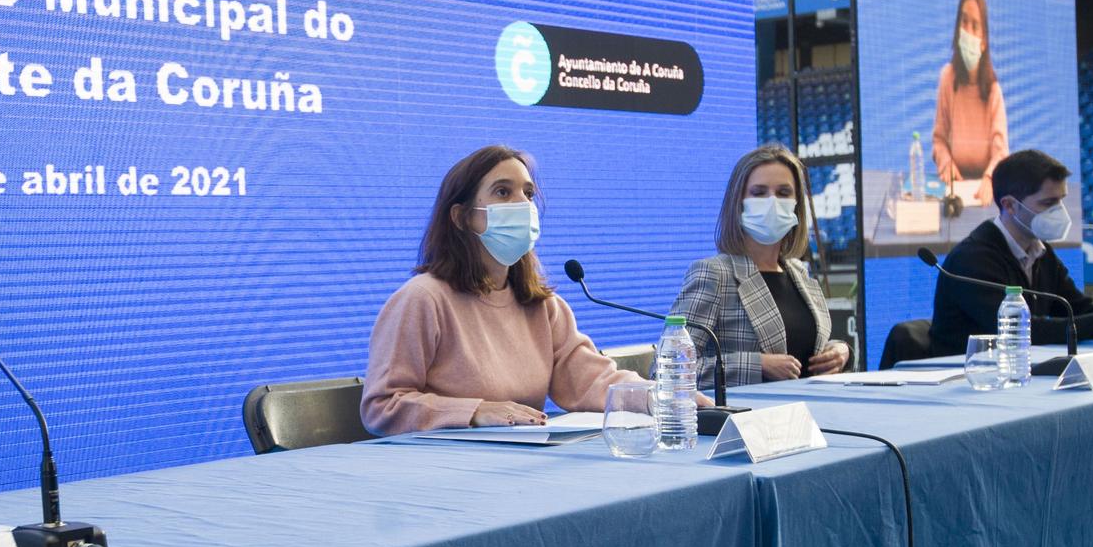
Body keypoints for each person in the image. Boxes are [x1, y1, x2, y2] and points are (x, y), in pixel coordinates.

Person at [361, 145, 646, 435]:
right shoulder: (422, 299)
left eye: (528, 193)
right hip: (442, 464)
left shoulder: (544, 307)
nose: (523, 204)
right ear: (461, 217)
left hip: (520, 462)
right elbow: (382, 406)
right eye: (503, 192)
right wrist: (474, 412)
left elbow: (591, 381)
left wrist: (660, 397)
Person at [928, 148, 1093, 357]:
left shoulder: (1041, 252)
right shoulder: (973, 258)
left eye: (1061, 200)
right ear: (1009, 205)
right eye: (1048, 203)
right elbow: (1023, 331)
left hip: (1017, 370)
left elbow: (1077, 309)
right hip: (963, 376)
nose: (1059, 210)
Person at [670, 144, 848, 389]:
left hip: (810, 413)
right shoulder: (713, 274)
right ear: (738, 202)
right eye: (759, 192)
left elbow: (802, 347)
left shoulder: (798, 272)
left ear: (797, 204)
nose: (772, 202)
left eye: (784, 192)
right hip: (748, 420)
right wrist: (757, 365)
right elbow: (671, 371)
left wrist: (839, 351)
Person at [932, 0, 1009, 206]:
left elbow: (1001, 150)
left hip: (985, 192)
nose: (967, 30)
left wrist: (989, 178)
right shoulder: (947, 77)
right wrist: (946, 163)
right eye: (963, 22)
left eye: (974, 25)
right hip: (954, 189)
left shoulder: (993, 89)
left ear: (984, 40)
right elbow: (939, 139)